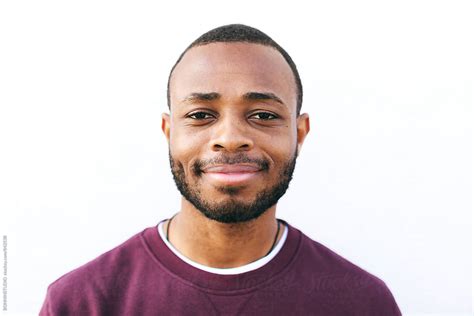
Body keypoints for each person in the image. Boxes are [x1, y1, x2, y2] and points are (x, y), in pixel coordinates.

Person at [40, 24, 402, 315]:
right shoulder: (82, 302)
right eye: (200, 115)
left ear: (299, 133)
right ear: (169, 132)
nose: (230, 138)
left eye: (263, 115)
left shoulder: (361, 303)